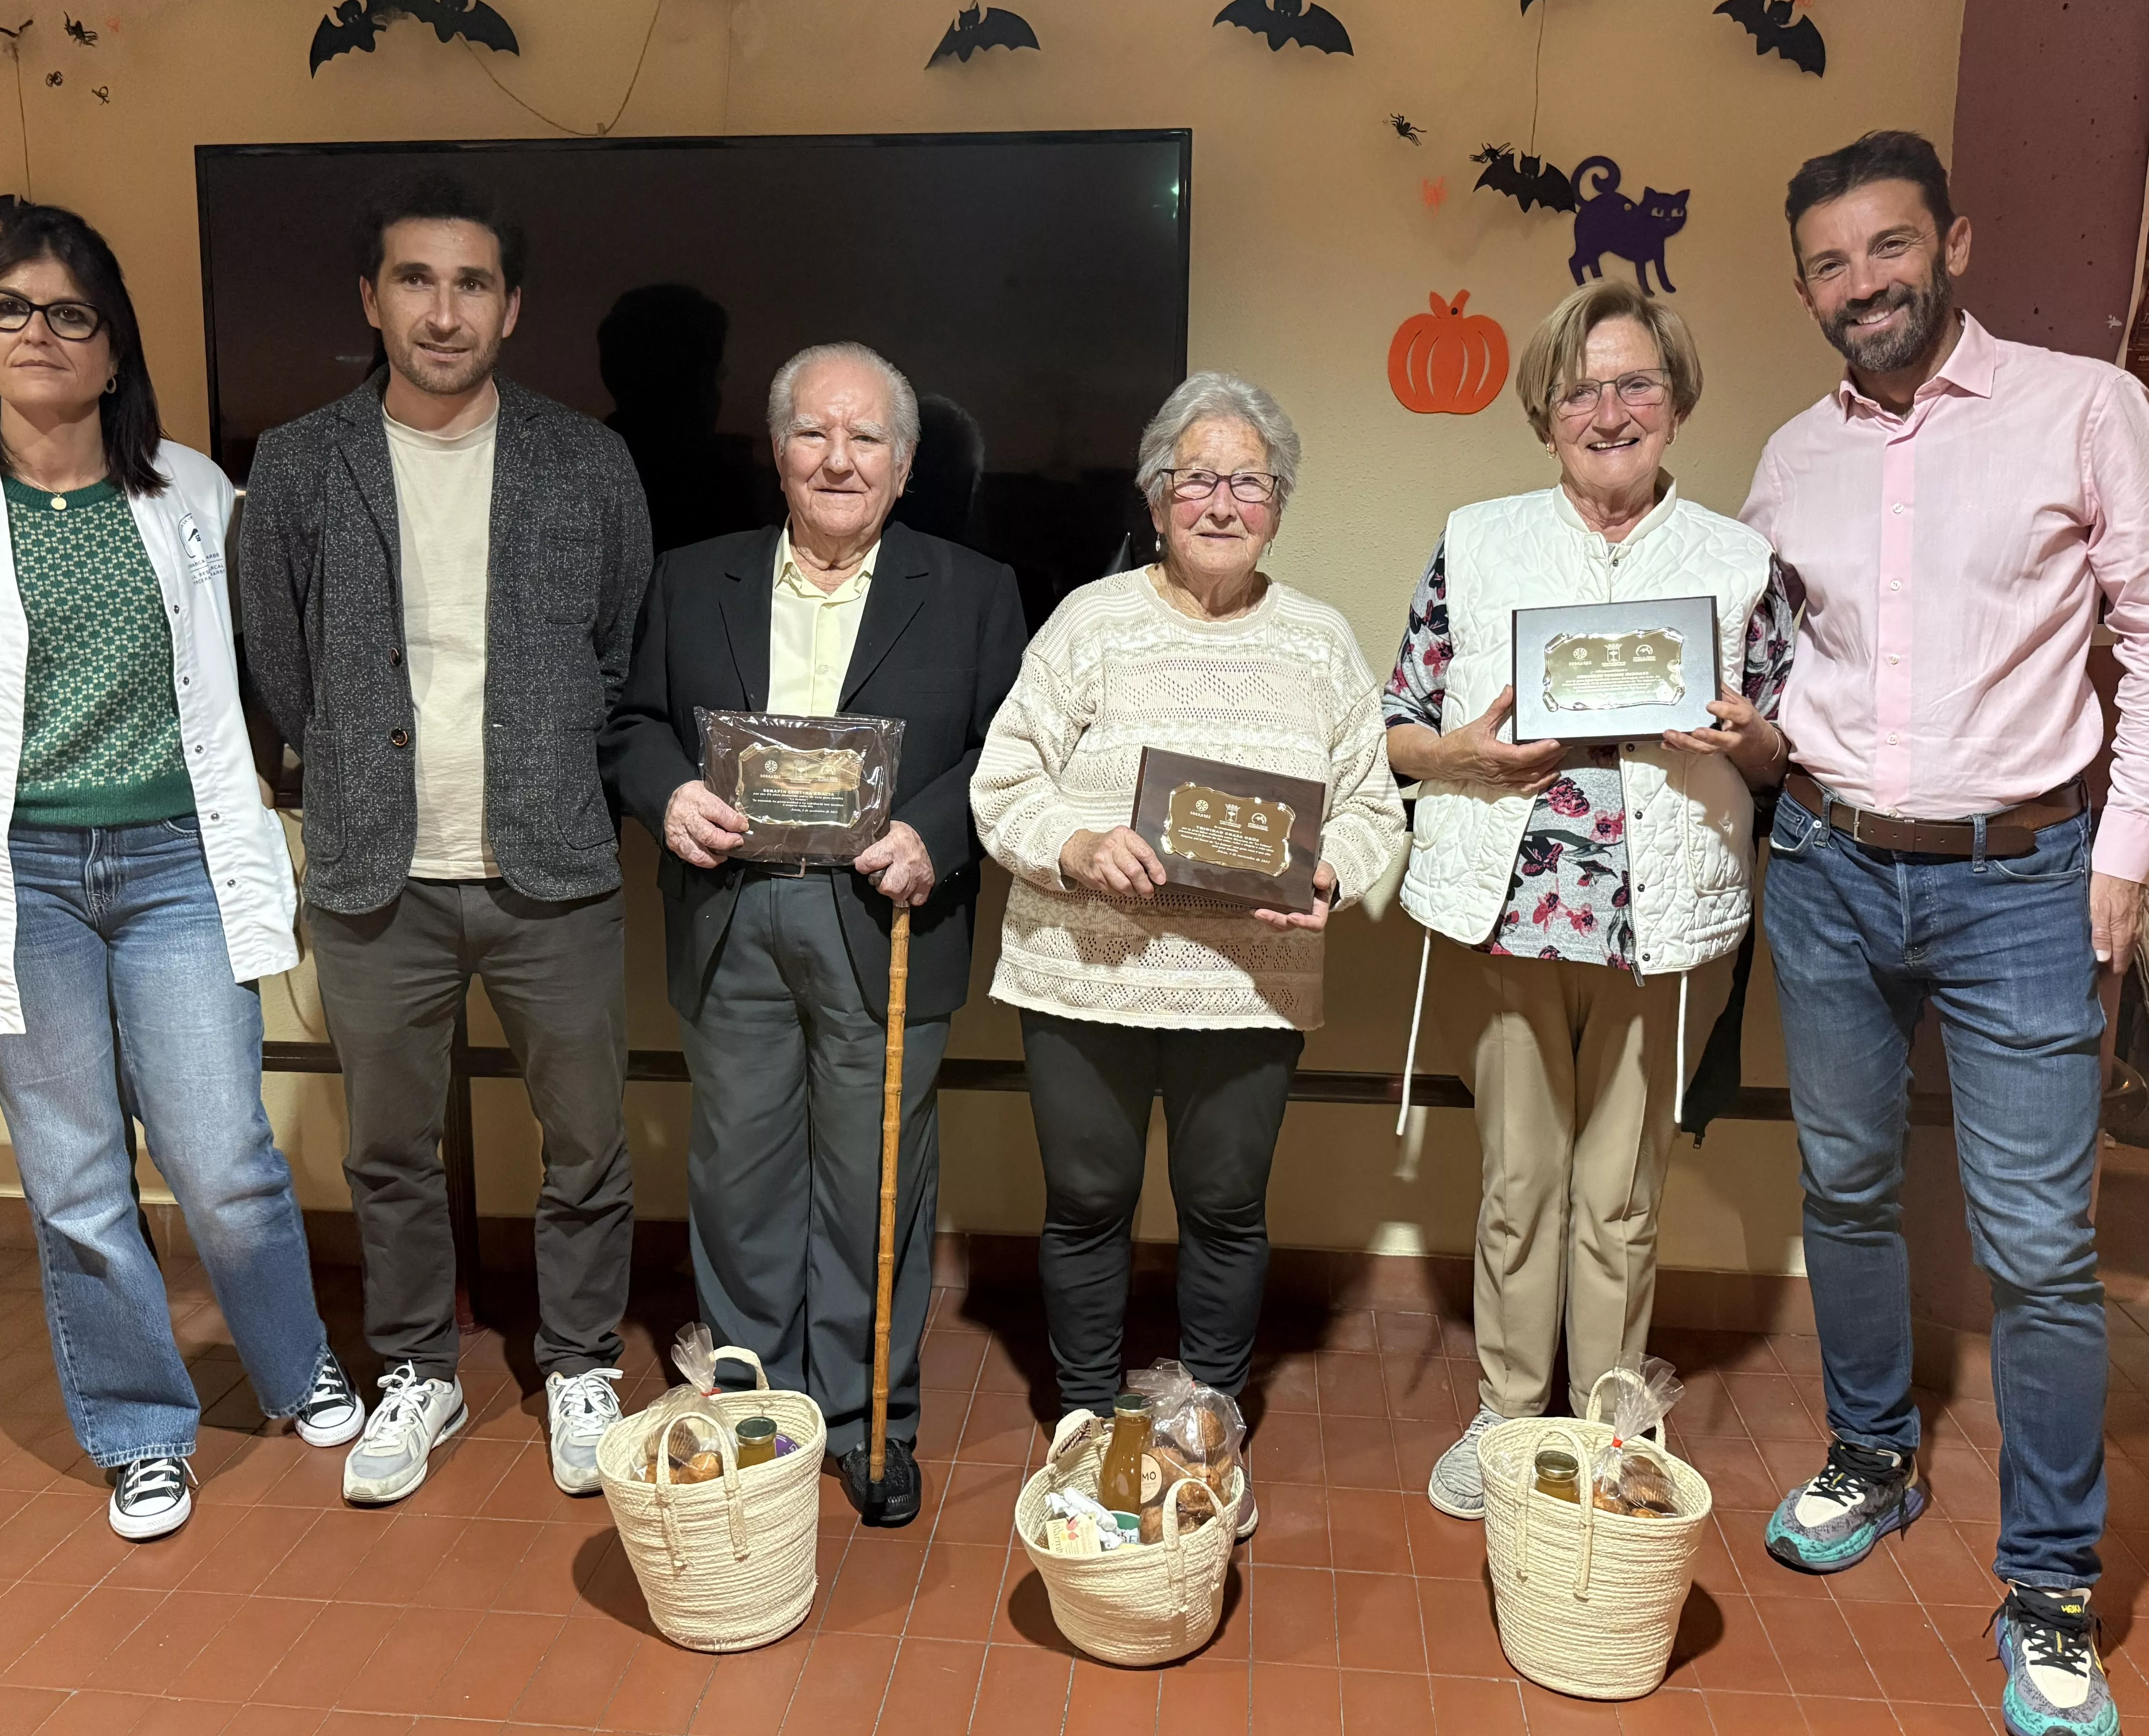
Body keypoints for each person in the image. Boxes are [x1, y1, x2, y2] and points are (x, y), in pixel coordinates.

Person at [1742, 132, 2149, 1736]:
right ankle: (1873, 1452)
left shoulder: (2081, 408)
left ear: (1953, 239)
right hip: (1823, 866)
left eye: (1886, 248)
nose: (1860, 283)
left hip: (2023, 880)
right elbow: (1767, 673)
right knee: (1846, 1184)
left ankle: (2050, 1589)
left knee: (2037, 1248)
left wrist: (2120, 846)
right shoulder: (1786, 459)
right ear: (1804, 281)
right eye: (1828, 261)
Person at [0, 200, 360, 1541]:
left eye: (72, 313)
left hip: (179, 861)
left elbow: (268, 674)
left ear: (114, 349)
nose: (41, 335)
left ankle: (296, 1367)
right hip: (19, 884)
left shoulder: (193, 493)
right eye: (12, 310)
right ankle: (139, 1429)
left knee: (225, 1155)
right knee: (74, 1176)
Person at [237, 174, 655, 1507]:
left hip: (554, 865)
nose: (443, 308)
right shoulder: (300, 463)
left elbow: (621, 643)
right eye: (415, 279)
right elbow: (277, 664)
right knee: (387, 1148)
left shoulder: (586, 460)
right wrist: (361, 767)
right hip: (377, 866)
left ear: (512, 307)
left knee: (586, 1136)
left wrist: (544, 764)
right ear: (372, 298)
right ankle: (418, 1367)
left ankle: (581, 1357)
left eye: (472, 282)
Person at [1381, 282, 1791, 1522]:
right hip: (1503, 910)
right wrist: (1467, 757)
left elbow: (1785, 756)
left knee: (1622, 1188)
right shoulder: (1477, 538)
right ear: (1545, 411)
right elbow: (1394, 732)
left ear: (1675, 402)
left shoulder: (1738, 559)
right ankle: (1512, 1409)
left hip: (1667, 924)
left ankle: (1612, 1417)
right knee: (1521, 1176)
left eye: (1636, 384)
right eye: (1582, 388)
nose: (1610, 410)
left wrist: (1743, 733)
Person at [602, 342, 1026, 1526]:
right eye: (813, 433)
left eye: (867, 438)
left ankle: (862, 1418)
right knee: (737, 1177)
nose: (839, 458)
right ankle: (756, 1409)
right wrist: (667, 791)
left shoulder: (975, 588)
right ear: (778, 452)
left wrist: (936, 829)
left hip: (885, 917)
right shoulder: (693, 579)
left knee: (872, 1178)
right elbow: (631, 720)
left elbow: (1012, 747)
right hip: (732, 908)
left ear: (903, 464)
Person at [971, 373, 1403, 1536]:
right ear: (1157, 497)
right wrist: (1075, 841)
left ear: (1279, 504)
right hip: (1085, 971)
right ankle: (1086, 1420)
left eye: (1249, 481)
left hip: (1249, 984)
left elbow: (1373, 808)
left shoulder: (1320, 640)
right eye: (1198, 478)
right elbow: (1002, 781)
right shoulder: (1090, 620)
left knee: (1224, 1205)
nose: (1222, 500)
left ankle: (1208, 1422)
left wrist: (1331, 872)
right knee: (1087, 1202)